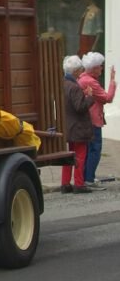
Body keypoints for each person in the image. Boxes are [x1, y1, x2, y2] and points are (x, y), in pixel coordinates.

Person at [78, 51, 116, 190]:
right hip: (93, 120)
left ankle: (85, 177)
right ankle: (89, 179)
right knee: (95, 149)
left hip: (86, 120)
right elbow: (107, 98)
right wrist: (112, 81)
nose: (101, 68)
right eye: (100, 66)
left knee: (87, 150)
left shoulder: (82, 78)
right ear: (94, 67)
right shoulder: (91, 82)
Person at [60, 56, 95, 194]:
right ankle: (79, 184)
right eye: (80, 69)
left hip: (67, 126)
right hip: (78, 128)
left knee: (67, 156)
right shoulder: (74, 87)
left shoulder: (63, 84)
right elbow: (80, 107)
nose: (81, 71)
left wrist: (83, 95)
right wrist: (90, 97)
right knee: (80, 155)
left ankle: (65, 183)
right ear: (75, 71)